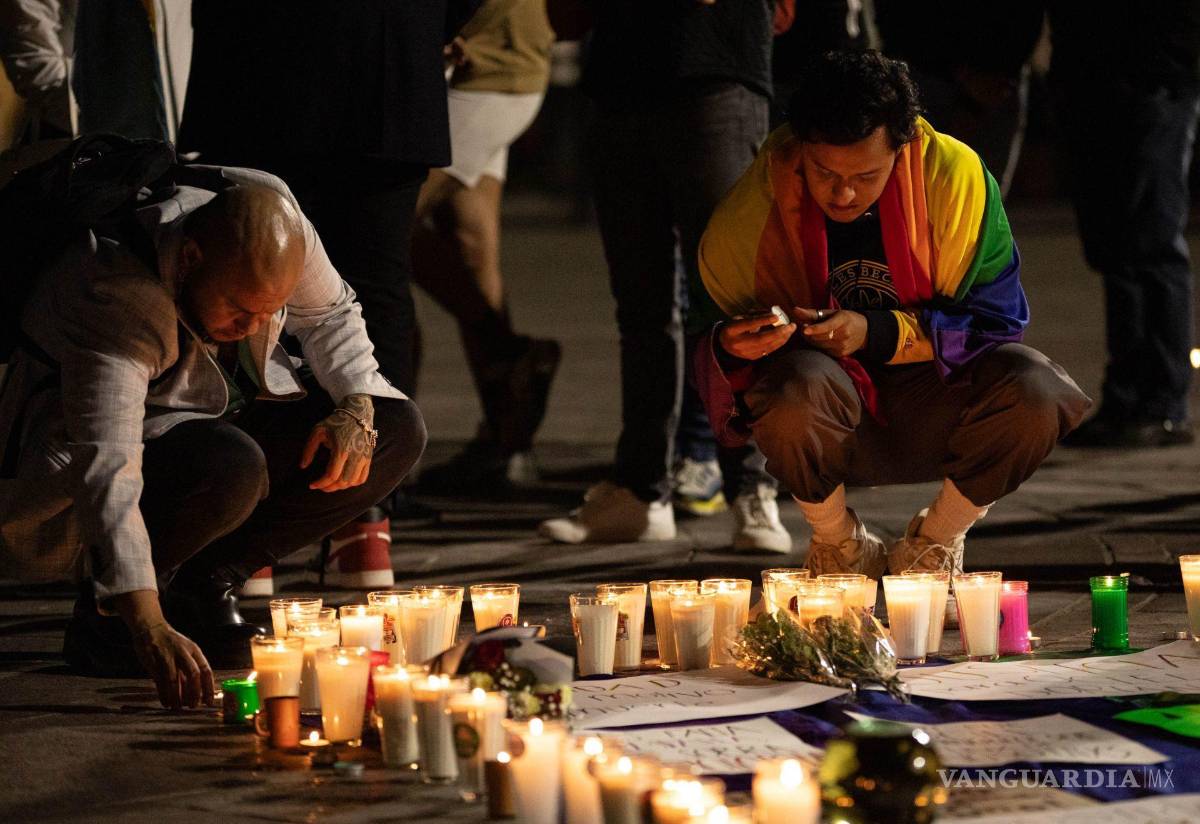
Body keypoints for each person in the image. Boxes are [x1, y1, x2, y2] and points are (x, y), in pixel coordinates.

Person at [0, 170, 427, 709]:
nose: (254, 327)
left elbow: (331, 314)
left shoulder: (278, 222)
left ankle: (206, 584)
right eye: (239, 309)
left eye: (269, 311)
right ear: (191, 259)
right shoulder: (117, 296)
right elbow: (108, 464)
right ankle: (107, 622)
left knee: (393, 429)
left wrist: (357, 404)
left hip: (212, 412)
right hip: (84, 465)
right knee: (232, 466)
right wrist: (145, 622)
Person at [690, 51, 1089, 603]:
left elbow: (998, 323)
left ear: (902, 149)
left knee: (1036, 388)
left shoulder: (955, 183)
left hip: (938, 398)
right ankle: (838, 545)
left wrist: (875, 331)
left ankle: (933, 544)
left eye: (866, 176)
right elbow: (717, 336)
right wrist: (734, 343)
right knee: (791, 387)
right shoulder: (755, 208)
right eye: (825, 173)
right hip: (827, 407)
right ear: (798, 148)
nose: (844, 194)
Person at [178, 0, 480, 590]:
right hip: (385, 50)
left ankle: (262, 518)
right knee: (286, 269)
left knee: (247, 262)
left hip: (258, 50)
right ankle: (361, 527)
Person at [539, 0, 792, 552]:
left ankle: (751, 486)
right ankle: (641, 489)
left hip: (714, 69)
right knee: (642, 305)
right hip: (619, 77)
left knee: (734, 295)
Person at [413, 0, 561, 490]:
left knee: (375, 228)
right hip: (494, 55)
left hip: (481, 60)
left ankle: (505, 353)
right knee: (473, 248)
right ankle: (506, 445)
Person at [1049, 3, 1200, 448]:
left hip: (1150, 84)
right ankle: (1128, 396)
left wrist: (1159, 74)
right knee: (1116, 248)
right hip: (1100, 82)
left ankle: (1160, 402)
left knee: (1150, 244)